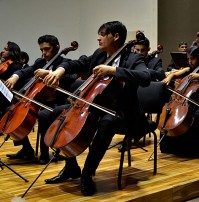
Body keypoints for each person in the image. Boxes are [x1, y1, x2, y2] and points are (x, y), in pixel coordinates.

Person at [41, 21, 151, 196]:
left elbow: (146, 77)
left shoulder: (133, 58)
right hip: (95, 105)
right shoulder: (99, 55)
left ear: (115, 37)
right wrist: (59, 71)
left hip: (122, 113)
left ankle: (87, 173)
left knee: (107, 122)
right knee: (52, 113)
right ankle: (71, 167)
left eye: (102, 34)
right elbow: (77, 63)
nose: (98, 38)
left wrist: (114, 71)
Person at [4, 35, 77, 164]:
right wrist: (15, 77)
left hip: (57, 103)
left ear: (57, 48)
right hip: (38, 101)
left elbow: (71, 77)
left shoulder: (65, 63)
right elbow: (27, 70)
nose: (44, 53)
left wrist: (51, 74)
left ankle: (44, 153)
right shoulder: (40, 62)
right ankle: (26, 149)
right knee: (9, 110)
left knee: (43, 115)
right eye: (42, 50)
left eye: (47, 49)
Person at [160, 46, 199, 157]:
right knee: (168, 115)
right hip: (185, 102)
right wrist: (169, 78)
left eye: (192, 59)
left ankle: (194, 150)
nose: (190, 61)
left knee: (198, 116)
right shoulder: (189, 69)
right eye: (188, 59)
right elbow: (174, 74)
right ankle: (171, 148)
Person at [0, 41, 22, 116]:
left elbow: (9, 86)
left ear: (12, 52)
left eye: (6, 49)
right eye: (3, 49)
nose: (2, 51)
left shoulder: (16, 66)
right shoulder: (4, 64)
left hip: (7, 98)